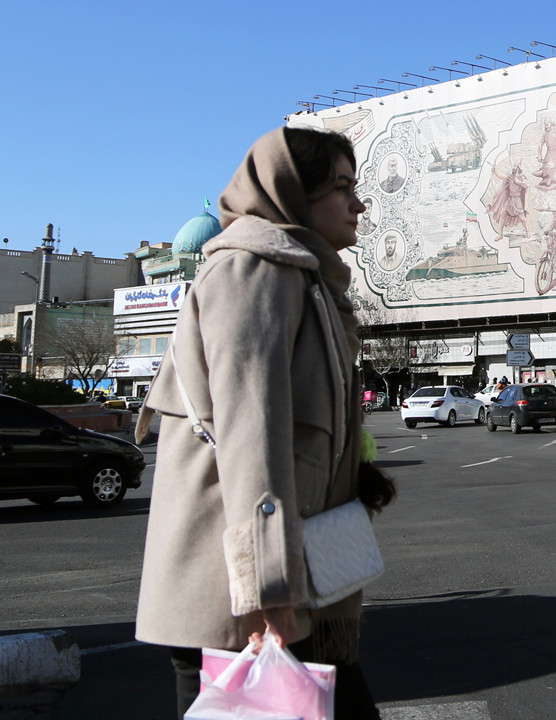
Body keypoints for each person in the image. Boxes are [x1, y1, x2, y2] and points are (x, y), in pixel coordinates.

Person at [134, 127, 392, 719]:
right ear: (292, 193)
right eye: (342, 187)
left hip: (297, 576)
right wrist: (267, 592)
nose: (358, 204)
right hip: (238, 599)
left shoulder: (308, 280)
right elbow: (254, 437)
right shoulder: (250, 271)